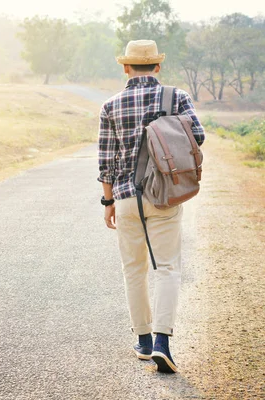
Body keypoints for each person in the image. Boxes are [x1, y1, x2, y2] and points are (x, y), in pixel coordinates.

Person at [97, 40, 205, 373]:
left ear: (125, 68)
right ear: (157, 67)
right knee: (168, 267)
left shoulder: (110, 105)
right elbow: (197, 136)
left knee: (134, 270)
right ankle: (162, 342)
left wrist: (108, 201)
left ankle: (143, 341)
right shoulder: (177, 98)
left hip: (127, 197)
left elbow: (105, 161)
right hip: (164, 195)